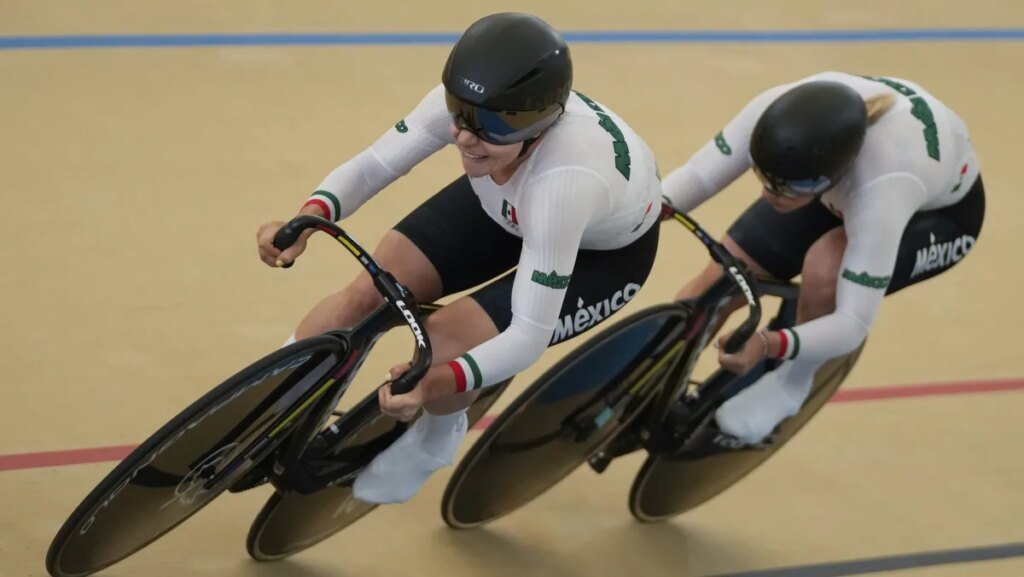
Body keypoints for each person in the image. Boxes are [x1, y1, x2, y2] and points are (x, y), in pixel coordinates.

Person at [256, 12, 662, 503]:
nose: (466, 137)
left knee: (447, 340)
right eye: (460, 114)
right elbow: (372, 166)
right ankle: (262, 403)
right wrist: (306, 218)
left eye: (489, 126)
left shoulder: (564, 183)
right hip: (506, 198)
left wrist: (433, 385)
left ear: (538, 127)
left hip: (597, 253)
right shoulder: (478, 113)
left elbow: (527, 337)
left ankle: (434, 441)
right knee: (371, 287)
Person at [662, 71, 984, 446]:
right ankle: (655, 372)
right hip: (835, 188)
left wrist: (769, 344)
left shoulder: (885, 186)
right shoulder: (775, 113)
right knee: (721, 277)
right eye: (763, 176)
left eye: (790, 186)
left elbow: (853, 322)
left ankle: (791, 385)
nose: (770, 195)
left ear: (834, 174)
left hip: (939, 216)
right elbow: (696, 177)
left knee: (826, 266)